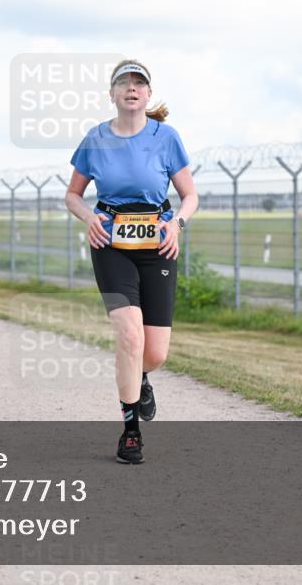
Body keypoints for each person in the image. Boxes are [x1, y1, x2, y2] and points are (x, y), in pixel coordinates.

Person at [64, 59, 198, 464]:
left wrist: (177, 224)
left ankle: (139, 377)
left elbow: (190, 196)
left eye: (139, 83)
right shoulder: (95, 138)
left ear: (148, 94)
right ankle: (130, 431)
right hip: (111, 242)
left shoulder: (166, 137)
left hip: (157, 242)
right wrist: (89, 217)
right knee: (129, 335)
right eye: (124, 83)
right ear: (112, 93)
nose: (132, 89)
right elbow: (72, 194)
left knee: (154, 354)